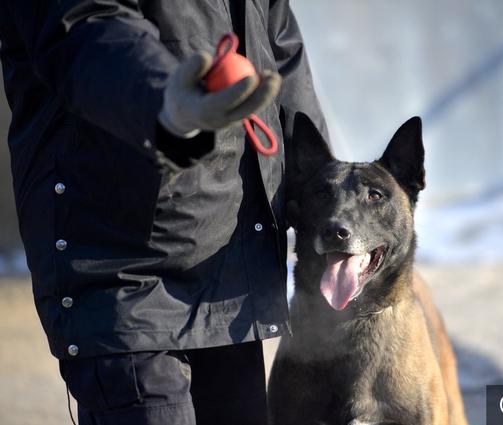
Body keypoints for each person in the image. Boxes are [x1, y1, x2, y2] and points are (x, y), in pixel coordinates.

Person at [0, 1, 328, 424]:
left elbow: (280, 54)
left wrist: (322, 194)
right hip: (122, 274)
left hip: (230, 272)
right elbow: (85, 26)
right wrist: (165, 101)